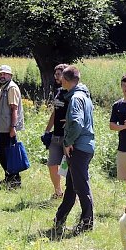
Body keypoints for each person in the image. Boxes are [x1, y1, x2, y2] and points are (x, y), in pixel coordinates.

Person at [51, 66, 96, 236]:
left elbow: (77, 123)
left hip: (79, 147)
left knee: (81, 186)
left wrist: (68, 141)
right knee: (71, 185)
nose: (60, 81)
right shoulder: (84, 95)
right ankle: (59, 219)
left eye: (62, 78)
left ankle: (87, 224)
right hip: (84, 146)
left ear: (66, 80)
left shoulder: (76, 98)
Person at [0, 64, 24, 187]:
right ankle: (9, 178)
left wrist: (13, 127)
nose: (2, 76)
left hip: (7, 127)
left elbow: (14, 109)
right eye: (0, 74)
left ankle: (14, 181)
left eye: (5, 74)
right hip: (2, 126)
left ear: (10, 75)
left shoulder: (11, 88)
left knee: (9, 154)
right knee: (3, 153)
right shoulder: (4, 87)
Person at [43, 63, 69, 198]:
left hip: (68, 137)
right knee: (52, 164)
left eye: (59, 74)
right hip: (56, 135)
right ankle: (58, 191)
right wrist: (47, 130)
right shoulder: (58, 91)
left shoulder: (72, 93)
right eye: (56, 74)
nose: (56, 76)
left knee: (67, 165)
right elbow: (55, 112)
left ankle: (71, 193)